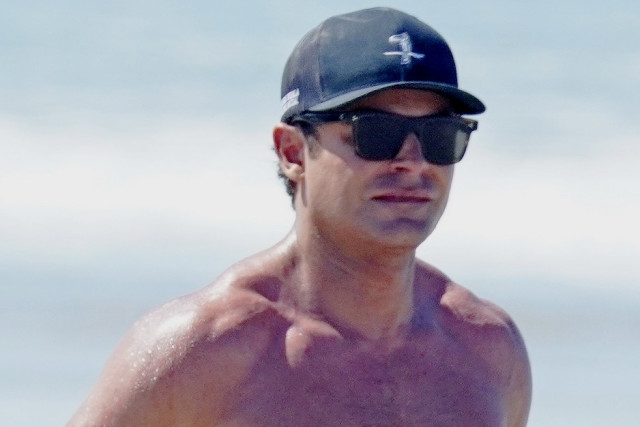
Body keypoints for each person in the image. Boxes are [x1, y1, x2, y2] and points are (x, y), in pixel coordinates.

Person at [68, 7, 532, 427]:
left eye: (441, 135)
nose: (413, 162)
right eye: (375, 133)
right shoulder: (205, 350)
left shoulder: (488, 350)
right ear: (292, 151)